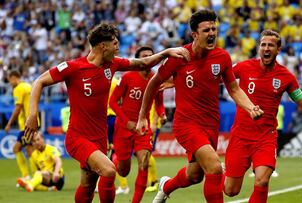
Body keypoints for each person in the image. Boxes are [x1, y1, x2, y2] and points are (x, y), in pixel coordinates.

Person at [24, 22, 189, 203]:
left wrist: (166, 52)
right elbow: (39, 82)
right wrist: (33, 115)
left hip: (100, 138)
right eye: (115, 43)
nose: (118, 47)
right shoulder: (73, 67)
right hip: (78, 137)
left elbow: (143, 63)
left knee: (87, 186)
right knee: (110, 170)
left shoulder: (112, 65)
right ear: (104, 46)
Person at [136, 9, 263, 203]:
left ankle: (166, 186)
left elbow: (234, 89)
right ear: (194, 34)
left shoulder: (221, 57)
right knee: (214, 167)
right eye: (206, 30)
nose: (212, 33)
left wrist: (250, 106)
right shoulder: (179, 57)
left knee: (195, 175)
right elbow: (153, 84)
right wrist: (143, 115)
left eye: (214, 28)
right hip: (186, 124)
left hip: (210, 124)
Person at [223, 30, 302, 203]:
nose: (266, 48)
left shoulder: (286, 77)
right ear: (259, 48)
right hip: (240, 136)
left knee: (262, 180)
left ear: (278, 50)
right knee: (231, 191)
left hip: (265, 138)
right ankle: (222, 171)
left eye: (271, 45)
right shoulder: (244, 67)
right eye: (263, 45)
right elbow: (217, 77)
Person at [109, 46, 166, 203]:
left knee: (144, 162)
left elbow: (159, 103)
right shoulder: (128, 77)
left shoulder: (157, 79)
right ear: (138, 60)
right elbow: (113, 102)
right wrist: (126, 122)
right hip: (123, 127)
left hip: (143, 127)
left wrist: (162, 114)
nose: (148, 58)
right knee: (123, 170)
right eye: (144, 56)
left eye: (151, 56)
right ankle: (112, 161)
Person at [4, 70, 35, 181]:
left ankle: (29, 176)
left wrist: (9, 124)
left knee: (19, 149)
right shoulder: (29, 86)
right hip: (34, 121)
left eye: (9, 80)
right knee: (29, 149)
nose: (10, 83)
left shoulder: (18, 89)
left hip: (26, 124)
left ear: (14, 78)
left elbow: (18, 108)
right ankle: (34, 175)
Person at [145, 103, 167, 192]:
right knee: (145, 153)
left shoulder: (153, 89)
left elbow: (158, 104)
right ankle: (151, 181)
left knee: (147, 152)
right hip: (146, 124)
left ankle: (154, 181)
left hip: (151, 125)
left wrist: (153, 123)